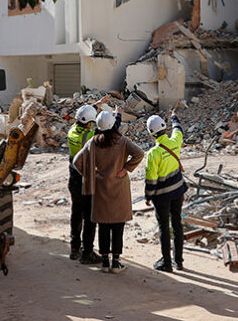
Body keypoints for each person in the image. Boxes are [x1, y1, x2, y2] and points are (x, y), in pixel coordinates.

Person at [72, 107, 144, 274]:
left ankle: (105, 262)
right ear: (113, 125)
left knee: (103, 226)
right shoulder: (123, 141)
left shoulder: (93, 142)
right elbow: (139, 153)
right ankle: (116, 263)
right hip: (119, 189)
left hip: (100, 188)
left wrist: (91, 173)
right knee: (118, 227)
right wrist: (126, 168)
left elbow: (77, 161)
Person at [144, 112, 187, 272]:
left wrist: (148, 195)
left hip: (161, 196)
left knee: (164, 227)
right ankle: (179, 261)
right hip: (178, 191)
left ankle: (166, 263)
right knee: (177, 224)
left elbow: (151, 178)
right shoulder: (175, 141)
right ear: (164, 127)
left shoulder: (153, 154)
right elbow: (178, 129)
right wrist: (175, 117)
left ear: (151, 133)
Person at [68, 104, 100, 264]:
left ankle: (74, 249)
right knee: (89, 217)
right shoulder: (89, 136)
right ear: (89, 123)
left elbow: (82, 118)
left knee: (76, 213)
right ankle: (87, 252)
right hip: (85, 181)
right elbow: (105, 132)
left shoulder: (72, 131)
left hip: (73, 180)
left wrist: (95, 106)